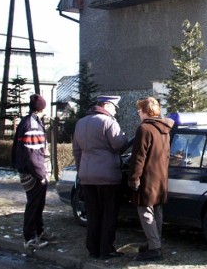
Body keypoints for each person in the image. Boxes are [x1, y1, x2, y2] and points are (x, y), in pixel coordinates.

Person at [72, 95, 128, 259]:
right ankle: (106, 249)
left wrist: (81, 170)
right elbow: (118, 144)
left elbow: (76, 151)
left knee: (93, 213)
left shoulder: (81, 122)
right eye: (114, 108)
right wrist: (124, 137)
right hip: (107, 175)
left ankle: (93, 248)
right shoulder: (108, 122)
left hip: (87, 176)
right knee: (109, 213)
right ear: (106, 105)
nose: (115, 111)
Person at [127, 97, 174, 261]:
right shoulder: (165, 129)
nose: (139, 113)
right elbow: (167, 155)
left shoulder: (145, 129)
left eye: (140, 110)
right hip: (161, 176)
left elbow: (139, 157)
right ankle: (154, 242)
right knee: (157, 210)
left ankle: (154, 248)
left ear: (146, 112)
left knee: (146, 212)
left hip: (147, 177)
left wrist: (134, 179)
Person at [12, 93, 52, 249]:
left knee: (37, 203)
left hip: (31, 171)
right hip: (33, 173)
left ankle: (38, 232)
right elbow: (33, 154)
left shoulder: (29, 122)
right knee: (34, 204)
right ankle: (30, 237)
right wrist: (41, 174)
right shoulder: (32, 125)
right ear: (41, 108)